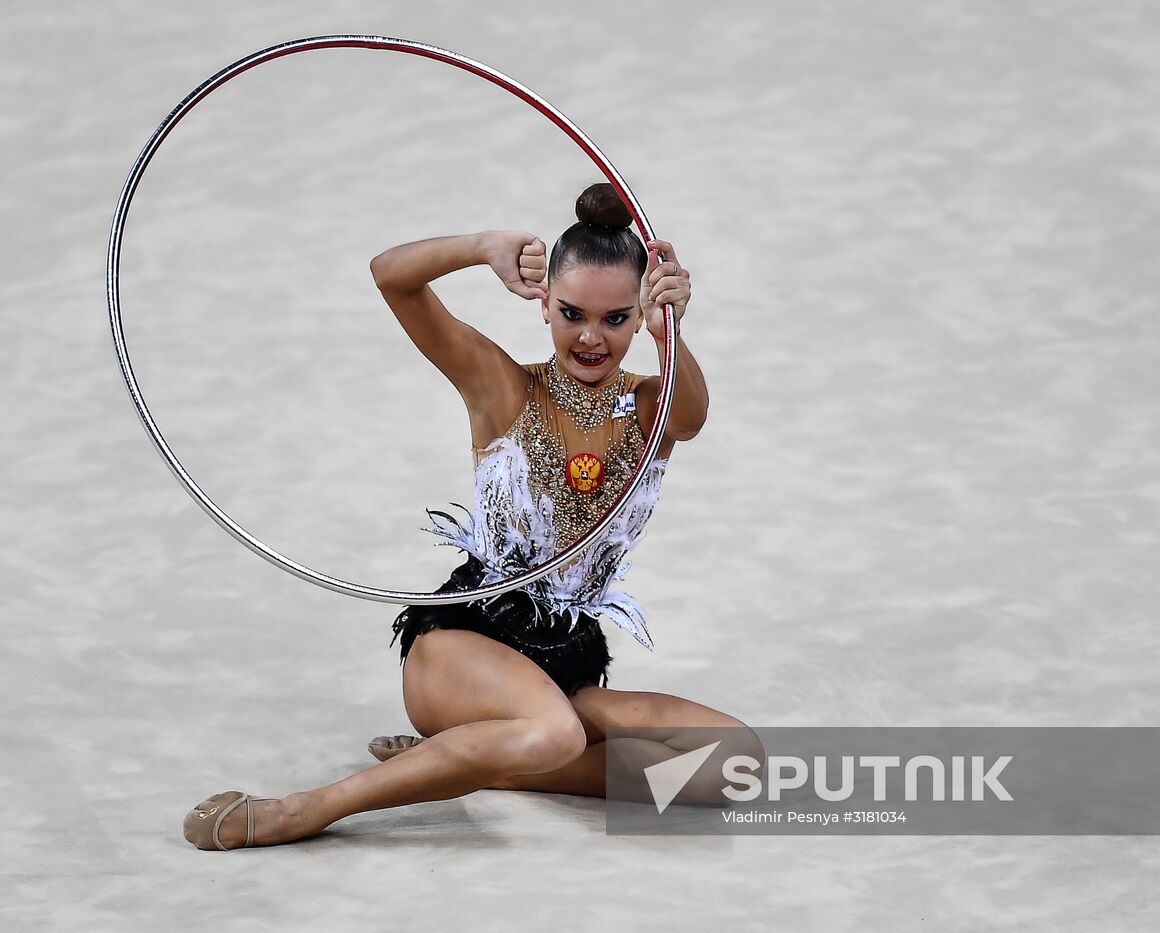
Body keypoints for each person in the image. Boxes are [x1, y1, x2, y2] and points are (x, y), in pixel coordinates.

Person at [184, 183, 762, 851]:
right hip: (464, 645)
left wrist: (672, 336)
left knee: (734, 761)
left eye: (617, 319)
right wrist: (481, 246)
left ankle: (497, 763)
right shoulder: (502, 384)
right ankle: (307, 808)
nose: (591, 337)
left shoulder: (650, 404)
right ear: (543, 302)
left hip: (565, 659)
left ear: (640, 317)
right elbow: (390, 278)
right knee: (558, 732)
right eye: (572, 312)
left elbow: (690, 418)